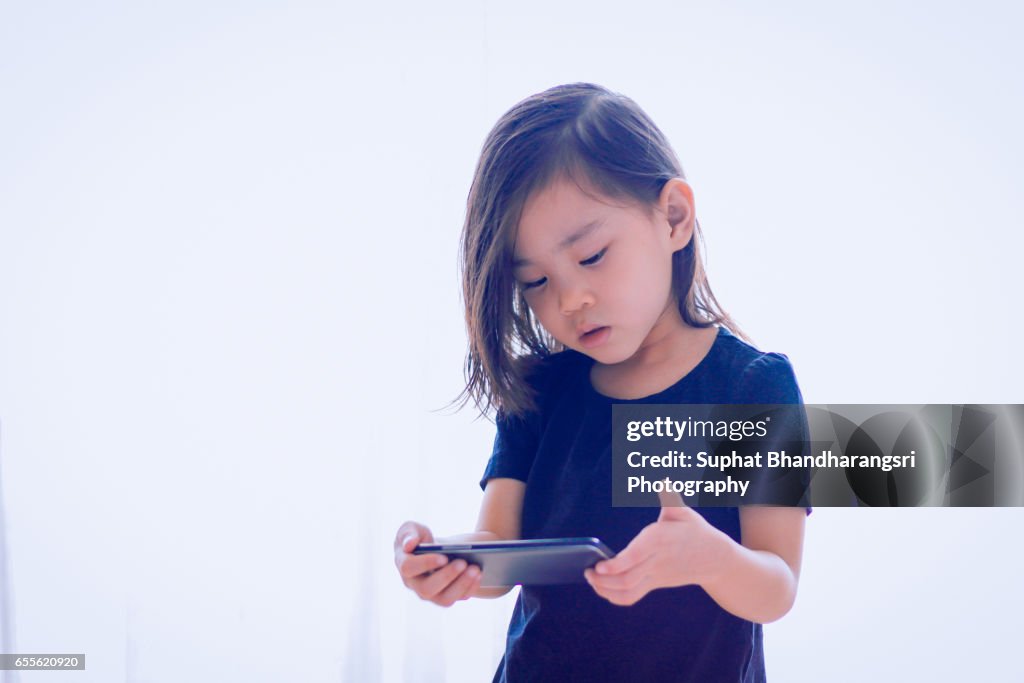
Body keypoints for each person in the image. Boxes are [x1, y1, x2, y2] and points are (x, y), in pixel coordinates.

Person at [393, 82, 811, 682]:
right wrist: (449, 563)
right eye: (534, 282)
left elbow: (778, 586)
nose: (570, 299)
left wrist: (710, 559)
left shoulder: (753, 387)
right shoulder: (541, 391)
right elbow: (500, 547)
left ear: (672, 217)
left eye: (590, 257)